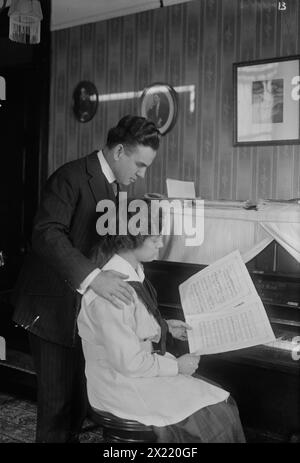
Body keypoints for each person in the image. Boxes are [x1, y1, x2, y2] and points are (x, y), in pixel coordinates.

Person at [11, 115, 161, 443]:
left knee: (78, 406)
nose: (141, 174)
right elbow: (46, 233)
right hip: (50, 310)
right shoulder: (71, 176)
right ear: (119, 150)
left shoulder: (114, 188)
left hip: (81, 313)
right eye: (139, 164)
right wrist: (93, 278)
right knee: (57, 409)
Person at [77, 201, 246, 443]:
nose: (161, 243)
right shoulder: (113, 290)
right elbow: (129, 362)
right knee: (213, 414)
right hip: (120, 385)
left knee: (222, 403)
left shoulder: (134, 271)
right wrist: (177, 367)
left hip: (136, 373)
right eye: (155, 238)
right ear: (130, 240)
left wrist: (164, 327)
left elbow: (130, 327)